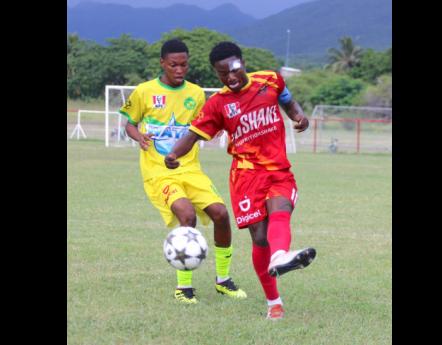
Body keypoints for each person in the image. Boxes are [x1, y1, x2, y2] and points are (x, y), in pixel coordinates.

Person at [165, 41, 316, 319]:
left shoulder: (270, 80)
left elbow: (287, 99)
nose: (231, 78)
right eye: (223, 74)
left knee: (280, 211)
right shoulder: (219, 104)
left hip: (278, 170)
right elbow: (193, 135)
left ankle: (281, 256)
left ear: (243, 62)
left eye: (234, 69)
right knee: (260, 238)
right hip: (246, 177)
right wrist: (174, 153)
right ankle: (274, 303)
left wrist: (298, 116)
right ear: (217, 74)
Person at [120, 39, 247, 304]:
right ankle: (184, 287)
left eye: (184, 64)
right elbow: (129, 123)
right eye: (174, 65)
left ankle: (223, 280)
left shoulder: (197, 94)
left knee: (221, 214)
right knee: (186, 215)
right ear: (163, 63)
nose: (179, 69)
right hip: (160, 173)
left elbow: (206, 125)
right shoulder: (145, 91)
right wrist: (139, 137)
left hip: (191, 170)